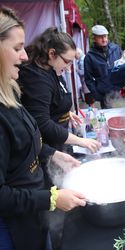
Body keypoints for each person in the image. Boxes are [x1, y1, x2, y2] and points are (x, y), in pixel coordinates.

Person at [0, 7, 87, 249]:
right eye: (17, 48)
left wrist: (53, 154)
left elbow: (27, 137)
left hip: (32, 213)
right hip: (12, 229)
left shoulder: (10, 93)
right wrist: (51, 198)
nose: (24, 56)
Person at [18, 27, 100, 154]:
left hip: (58, 143)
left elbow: (53, 100)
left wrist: (65, 113)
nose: (69, 68)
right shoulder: (36, 78)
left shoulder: (52, 68)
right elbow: (42, 123)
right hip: (45, 149)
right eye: (67, 62)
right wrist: (80, 141)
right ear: (52, 54)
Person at [84, 24, 122, 108]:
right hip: (105, 96)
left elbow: (124, 66)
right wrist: (97, 95)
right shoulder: (89, 57)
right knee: (109, 118)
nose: (104, 39)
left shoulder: (116, 49)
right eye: (100, 37)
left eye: (105, 36)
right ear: (94, 38)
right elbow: (88, 79)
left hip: (120, 92)